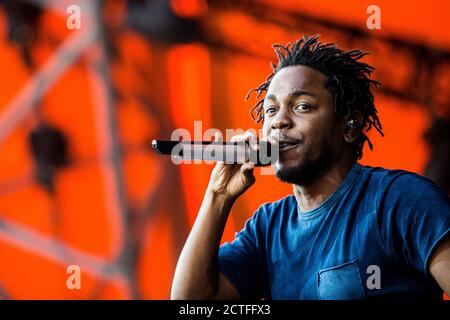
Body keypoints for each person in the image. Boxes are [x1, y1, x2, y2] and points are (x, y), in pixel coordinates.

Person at [171, 35, 450, 300]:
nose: (279, 121)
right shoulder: (267, 228)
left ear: (350, 126)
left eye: (302, 106)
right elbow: (194, 302)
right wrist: (218, 195)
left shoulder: (402, 200)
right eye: (270, 110)